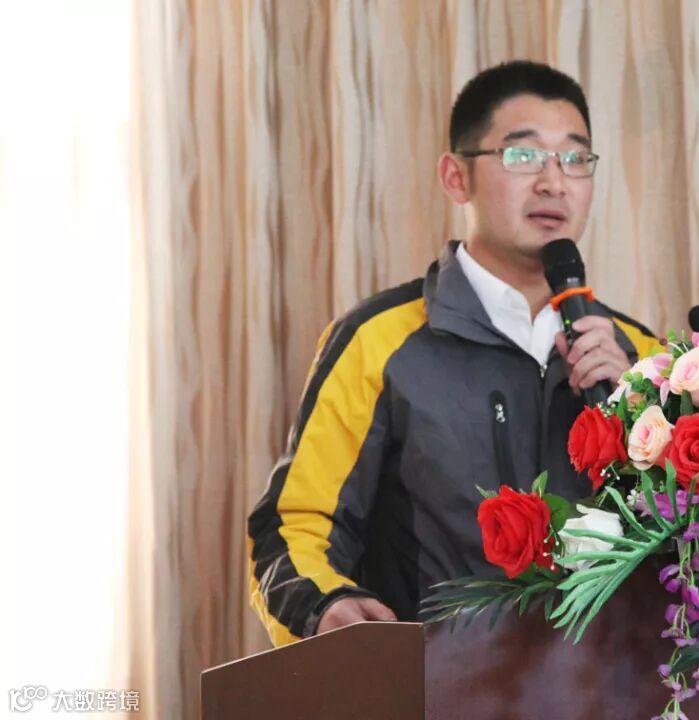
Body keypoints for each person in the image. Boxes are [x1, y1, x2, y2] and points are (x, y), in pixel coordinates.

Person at [247, 60, 661, 646]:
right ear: (456, 177)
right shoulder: (379, 341)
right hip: (432, 681)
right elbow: (295, 525)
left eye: (575, 158)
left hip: (605, 684)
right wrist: (326, 605)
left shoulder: (641, 355)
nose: (554, 182)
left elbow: (693, 546)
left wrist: (638, 407)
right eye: (523, 155)